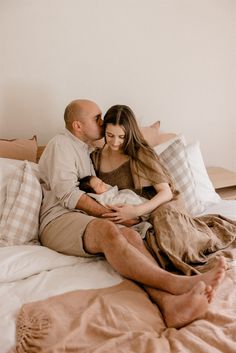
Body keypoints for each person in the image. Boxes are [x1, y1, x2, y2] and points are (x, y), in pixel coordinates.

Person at [39, 99, 226, 329]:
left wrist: (133, 216)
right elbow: (67, 195)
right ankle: (178, 284)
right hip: (58, 218)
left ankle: (169, 305)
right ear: (78, 126)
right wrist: (113, 215)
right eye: (96, 118)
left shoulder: (90, 152)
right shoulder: (61, 144)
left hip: (83, 217)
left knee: (132, 237)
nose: (101, 121)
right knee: (110, 230)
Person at [91, 104, 236, 276]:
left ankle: (190, 271)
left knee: (165, 225)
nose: (115, 142)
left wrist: (136, 211)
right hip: (131, 211)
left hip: (160, 204)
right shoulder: (96, 157)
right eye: (110, 135)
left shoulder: (140, 153)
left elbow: (166, 193)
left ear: (130, 134)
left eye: (122, 136)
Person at [79, 175, 152, 238]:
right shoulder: (105, 200)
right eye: (99, 185)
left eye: (101, 181)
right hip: (138, 210)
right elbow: (120, 201)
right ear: (93, 193)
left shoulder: (108, 191)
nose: (103, 184)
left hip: (143, 206)